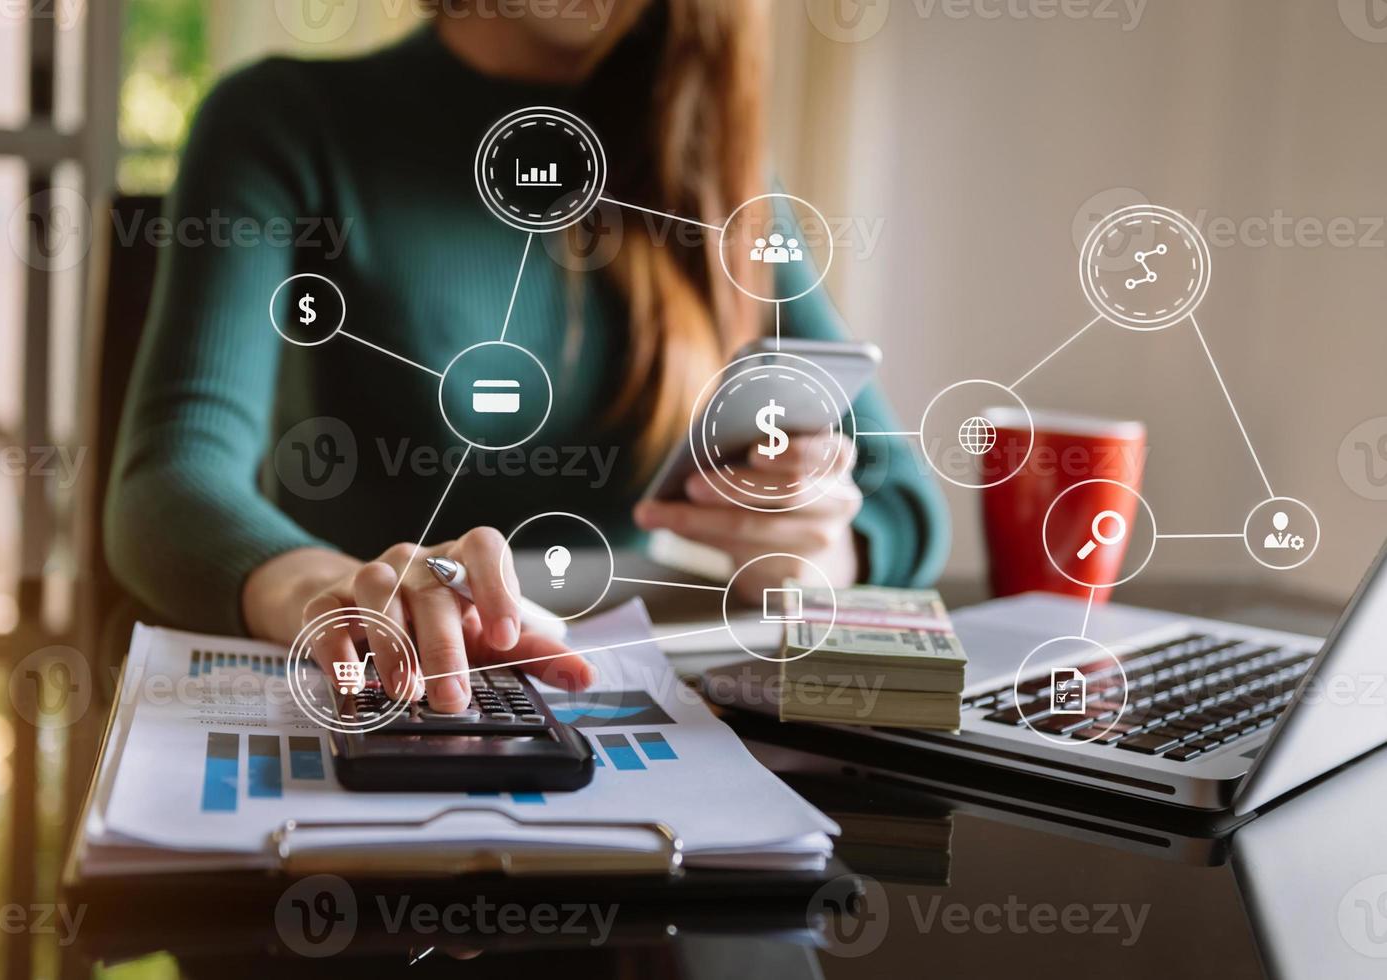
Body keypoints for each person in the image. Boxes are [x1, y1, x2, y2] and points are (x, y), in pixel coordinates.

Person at [105, 0, 948, 713]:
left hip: (641, 712)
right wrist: (324, 591)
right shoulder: (282, 121)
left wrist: (811, 555)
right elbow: (167, 481)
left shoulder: (708, 167)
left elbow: (906, 508)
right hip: (379, 691)